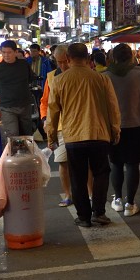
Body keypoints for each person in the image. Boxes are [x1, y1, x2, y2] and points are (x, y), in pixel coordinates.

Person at [46, 43, 121, 228]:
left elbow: (52, 112)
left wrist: (51, 136)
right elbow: (113, 108)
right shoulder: (101, 79)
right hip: (99, 134)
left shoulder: (59, 81)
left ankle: (84, 217)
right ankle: (99, 212)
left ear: (69, 59)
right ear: (88, 59)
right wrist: (115, 130)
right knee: (101, 173)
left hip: (73, 137)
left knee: (77, 177)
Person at [103, 43, 140, 218]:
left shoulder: (105, 76)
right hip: (136, 124)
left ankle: (117, 199)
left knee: (116, 163)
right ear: (131, 57)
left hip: (113, 127)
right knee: (132, 164)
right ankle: (130, 203)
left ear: (114, 57)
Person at [40, 44, 74, 207]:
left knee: (85, 163)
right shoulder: (51, 77)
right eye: (59, 62)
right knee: (62, 162)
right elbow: (44, 102)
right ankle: (68, 194)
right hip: (59, 127)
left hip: (78, 125)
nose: (63, 65)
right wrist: (45, 118)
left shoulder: (80, 75)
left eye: (65, 61)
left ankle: (89, 194)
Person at [0, 39, 37, 148]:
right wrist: (5, 95)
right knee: (12, 135)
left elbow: (29, 79)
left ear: (15, 52)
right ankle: (13, 160)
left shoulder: (23, 65)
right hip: (7, 107)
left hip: (24, 104)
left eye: (9, 52)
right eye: (3, 52)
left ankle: (27, 158)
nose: (6, 55)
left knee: (27, 134)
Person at [27, 43, 53, 141]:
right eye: (31, 51)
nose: (32, 53)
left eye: (34, 51)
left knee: (41, 108)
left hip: (42, 88)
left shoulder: (45, 61)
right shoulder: (27, 62)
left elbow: (49, 75)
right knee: (33, 110)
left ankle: (43, 132)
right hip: (30, 89)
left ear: (38, 51)